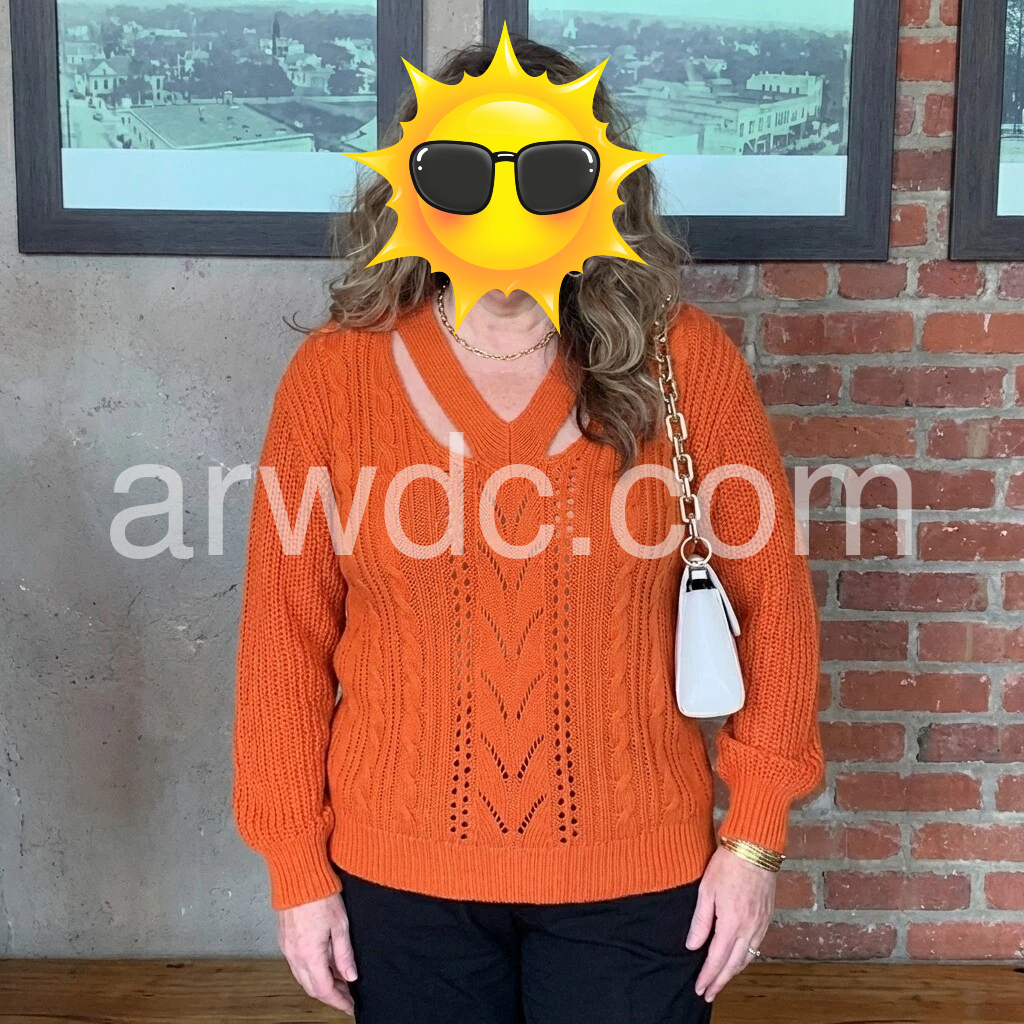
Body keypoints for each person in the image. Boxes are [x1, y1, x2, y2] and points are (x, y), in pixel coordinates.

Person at [232, 35, 823, 1024]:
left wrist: (754, 840)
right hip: (398, 879)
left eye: (545, 174)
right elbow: (282, 639)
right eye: (463, 173)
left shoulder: (683, 361)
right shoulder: (336, 374)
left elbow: (774, 607)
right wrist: (296, 866)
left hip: (637, 878)